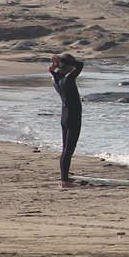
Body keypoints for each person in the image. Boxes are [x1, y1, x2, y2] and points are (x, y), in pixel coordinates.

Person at [48, 53, 84, 188]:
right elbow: (80, 65)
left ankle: (65, 177)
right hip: (73, 117)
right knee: (69, 150)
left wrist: (56, 66)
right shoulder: (68, 79)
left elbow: (55, 73)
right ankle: (65, 181)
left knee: (65, 149)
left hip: (64, 116)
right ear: (69, 67)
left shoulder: (56, 79)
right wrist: (61, 60)